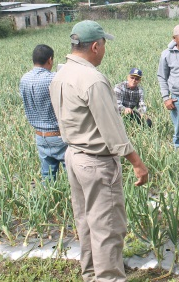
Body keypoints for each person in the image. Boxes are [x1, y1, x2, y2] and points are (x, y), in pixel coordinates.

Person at [49, 20, 149, 282]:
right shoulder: (92, 79)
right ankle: (109, 279)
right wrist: (137, 162)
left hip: (73, 156)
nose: (104, 50)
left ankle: (92, 275)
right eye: (103, 45)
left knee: (86, 222)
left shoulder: (61, 74)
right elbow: (112, 129)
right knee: (107, 227)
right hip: (96, 163)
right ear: (95, 46)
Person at [19, 44, 67, 180]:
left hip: (40, 136)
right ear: (50, 60)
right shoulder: (52, 79)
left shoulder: (24, 79)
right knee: (73, 175)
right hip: (58, 135)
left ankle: (48, 200)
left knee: (47, 176)